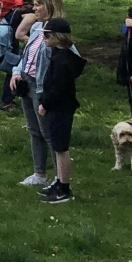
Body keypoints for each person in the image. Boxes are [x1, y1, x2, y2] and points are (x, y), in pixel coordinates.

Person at [10, 0, 64, 187]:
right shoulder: (36, 28)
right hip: (27, 81)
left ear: (49, 7)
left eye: (38, 5)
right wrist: (17, 72)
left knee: (47, 132)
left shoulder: (58, 32)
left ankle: (60, 177)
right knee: (34, 131)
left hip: (42, 87)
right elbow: (26, 55)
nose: (34, 8)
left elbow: (69, 61)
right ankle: (39, 174)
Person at [34, 17, 85, 204]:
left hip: (60, 108)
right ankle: (59, 182)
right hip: (59, 106)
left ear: (57, 37)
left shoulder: (62, 61)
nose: (45, 39)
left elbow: (57, 88)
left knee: (61, 148)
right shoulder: (58, 55)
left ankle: (64, 187)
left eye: (47, 35)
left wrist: (44, 104)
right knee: (56, 146)